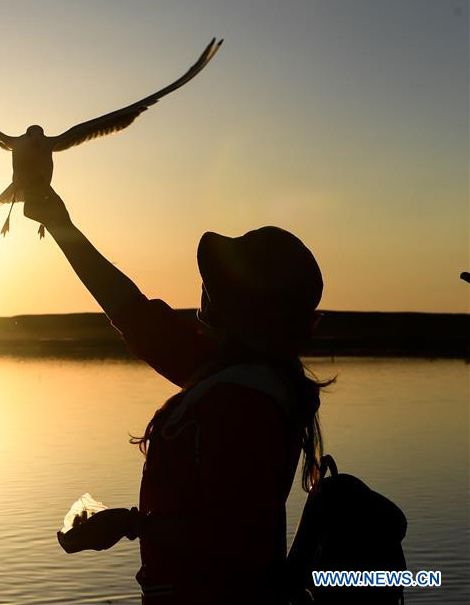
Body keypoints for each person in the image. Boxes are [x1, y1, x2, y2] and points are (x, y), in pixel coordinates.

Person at [24, 187, 329, 605]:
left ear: (238, 309)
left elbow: (233, 542)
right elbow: (133, 312)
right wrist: (60, 225)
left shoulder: (243, 403)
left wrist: (130, 524)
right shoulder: (230, 372)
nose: (203, 292)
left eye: (215, 284)